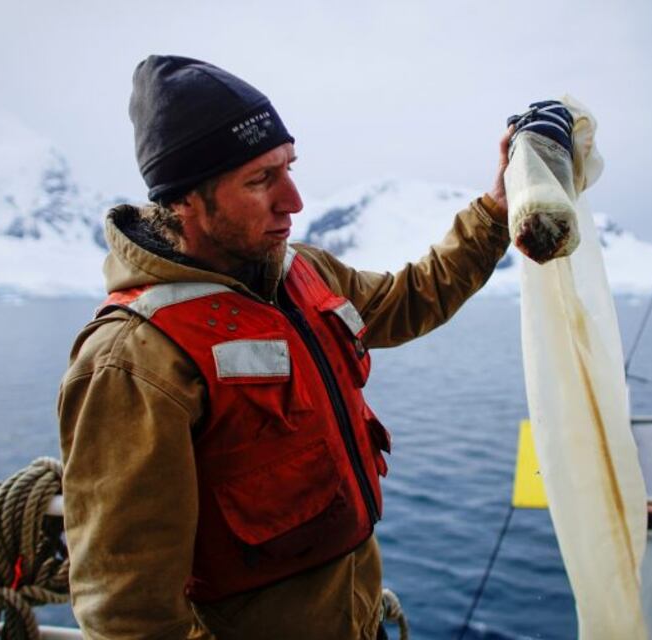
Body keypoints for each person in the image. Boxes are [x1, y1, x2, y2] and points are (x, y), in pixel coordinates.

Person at [58, 54, 526, 640]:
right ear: (184, 202)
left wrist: (496, 212)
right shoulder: (134, 359)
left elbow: (409, 299)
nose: (294, 200)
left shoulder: (303, 274)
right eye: (260, 180)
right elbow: (128, 612)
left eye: (289, 167)